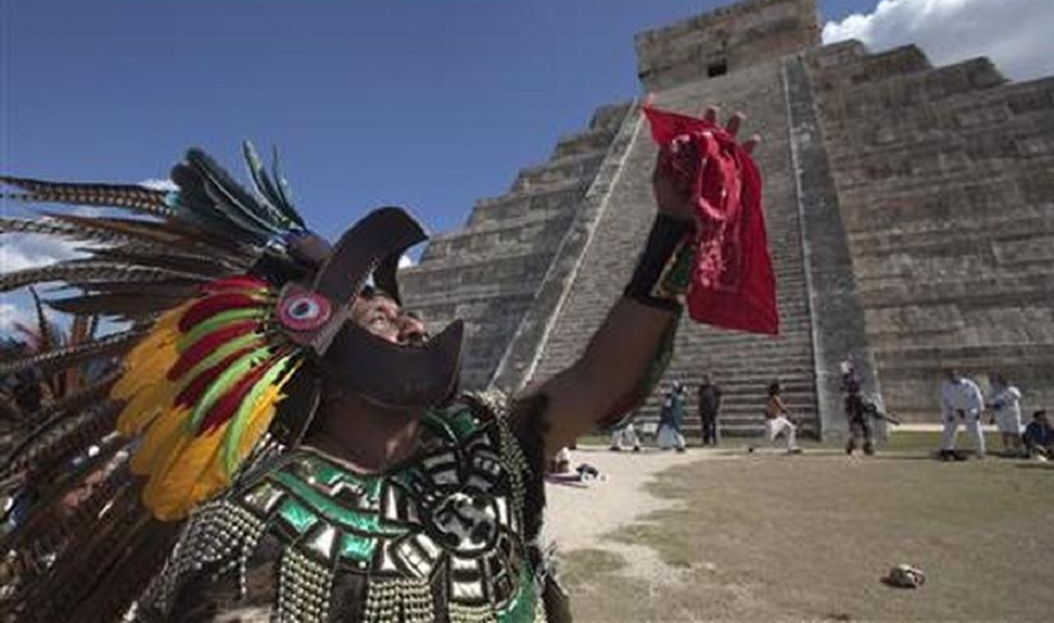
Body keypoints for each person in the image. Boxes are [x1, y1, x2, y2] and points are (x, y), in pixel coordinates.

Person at [0, 105, 768, 622]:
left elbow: (599, 382)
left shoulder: (483, 437)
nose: (413, 316)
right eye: (381, 311)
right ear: (313, 351)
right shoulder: (247, 525)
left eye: (404, 306)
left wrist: (673, 226)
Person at [841, 362, 899, 455]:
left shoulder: (863, 401)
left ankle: (867, 447)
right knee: (856, 436)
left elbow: (877, 413)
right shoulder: (851, 400)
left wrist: (891, 419)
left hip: (863, 417)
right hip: (855, 416)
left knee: (868, 432)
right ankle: (852, 445)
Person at [939, 368, 986, 460]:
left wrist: (979, 411)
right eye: (948, 376)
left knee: (976, 431)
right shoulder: (946, 386)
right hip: (955, 411)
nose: (951, 377)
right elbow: (944, 401)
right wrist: (947, 414)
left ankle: (980, 452)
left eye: (952, 375)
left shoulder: (968, 384)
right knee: (948, 431)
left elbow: (977, 397)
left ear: (957, 375)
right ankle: (947, 450)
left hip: (969, 411)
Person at [987, 372, 1023, 455]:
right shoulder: (994, 390)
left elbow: (1015, 396)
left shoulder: (1012, 389)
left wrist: (999, 402)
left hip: (1012, 413)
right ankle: (1007, 449)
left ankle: (1018, 449)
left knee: (1015, 432)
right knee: (1004, 431)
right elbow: (989, 401)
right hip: (1000, 414)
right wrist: (993, 406)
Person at [763, 381, 801, 453]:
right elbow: (783, 408)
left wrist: (787, 416)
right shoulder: (775, 397)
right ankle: (752, 447)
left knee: (790, 428)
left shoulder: (773, 398)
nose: (780, 390)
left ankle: (792, 447)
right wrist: (792, 417)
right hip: (773, 422)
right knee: (767, 440)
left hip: (774, 421)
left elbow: (780, 411)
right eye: (779, 388)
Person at [657, 381, 687, 452]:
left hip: (671, 415)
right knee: (667, 431)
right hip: (670, 415)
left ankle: (681, 444)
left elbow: (667, 405)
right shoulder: (674, 396)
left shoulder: (673, 396)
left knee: (675, 430)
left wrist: (661, 398)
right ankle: (667, 445)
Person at [697, 372, 721, 446]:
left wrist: (718, 408)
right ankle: (706, 440)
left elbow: (719, 398)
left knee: (714, 426)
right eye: (705, 378)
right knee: (705, 426)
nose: (707, 380)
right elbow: (699, 398)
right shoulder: (702, 388)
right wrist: (699, 408)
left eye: (708, 378)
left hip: (713, 409)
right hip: (704, 410)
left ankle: (715, 441)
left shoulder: (715, 387)